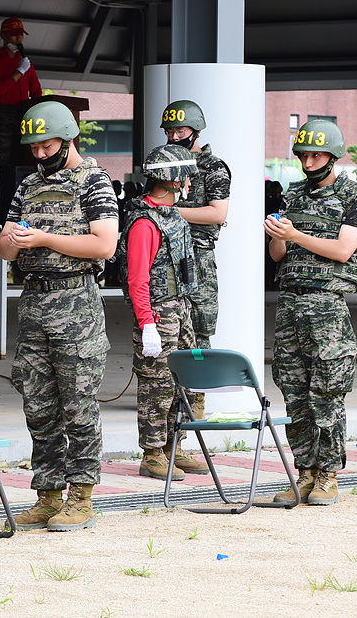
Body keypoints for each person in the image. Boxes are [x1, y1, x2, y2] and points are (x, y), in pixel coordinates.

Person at [0, 101, 118, 532]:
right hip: (33, 302)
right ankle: (48, 494)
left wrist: (45, 237)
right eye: (34, 148)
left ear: (68, 138)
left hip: (76, 303)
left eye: (47, 146)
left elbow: (104, 245)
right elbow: (5, 248)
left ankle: (81, 496)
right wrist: (12, 239)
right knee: (38, 403)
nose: (40, 155)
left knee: (77, 402)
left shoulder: (94, 181)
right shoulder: (29, 185)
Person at [265, 120, 357, 506]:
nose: (309, 162)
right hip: (290, 303)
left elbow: (344, 251)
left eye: (317, 155)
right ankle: (305, 472)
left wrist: (294, 235)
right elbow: (278, 257)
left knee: (326, 395)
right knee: (294, 395)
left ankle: (328, 475)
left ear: (333, 155)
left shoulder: (354, 196)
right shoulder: (293, 195)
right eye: (303, 155)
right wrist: (278, 238)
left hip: (327, 305)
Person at [117, 144, 203, 480]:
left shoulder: (172, 217)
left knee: (183, 381)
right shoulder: (144, 224)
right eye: (186, 180)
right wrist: (147, 325)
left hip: (178, 310)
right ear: (174, 180)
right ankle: (152, 453)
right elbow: (138, 280)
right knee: (157, 384)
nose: (190, 186)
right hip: (157, 314)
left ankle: (173, 447)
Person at [161, 100, 231, 353]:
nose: (174, 137)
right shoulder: (164, 164)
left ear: (197, 131)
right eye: (169, 132)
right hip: (164, 254)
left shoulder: (213, 167)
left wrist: (169, 212)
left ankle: (196, 392)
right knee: (166, 326)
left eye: (181, 131)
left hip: (197, 256)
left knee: (198, 330)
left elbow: (217, 213)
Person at [0, 17, 42, 226]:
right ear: (3, 36)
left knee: (22, 163)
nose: (18, 39)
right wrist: (18, 72)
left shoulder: (25, 62)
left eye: (20, 35)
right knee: (1, 164)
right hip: (2, 117)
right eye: (14, 35)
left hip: (23, 115)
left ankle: (18, 210)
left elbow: (36, 92)